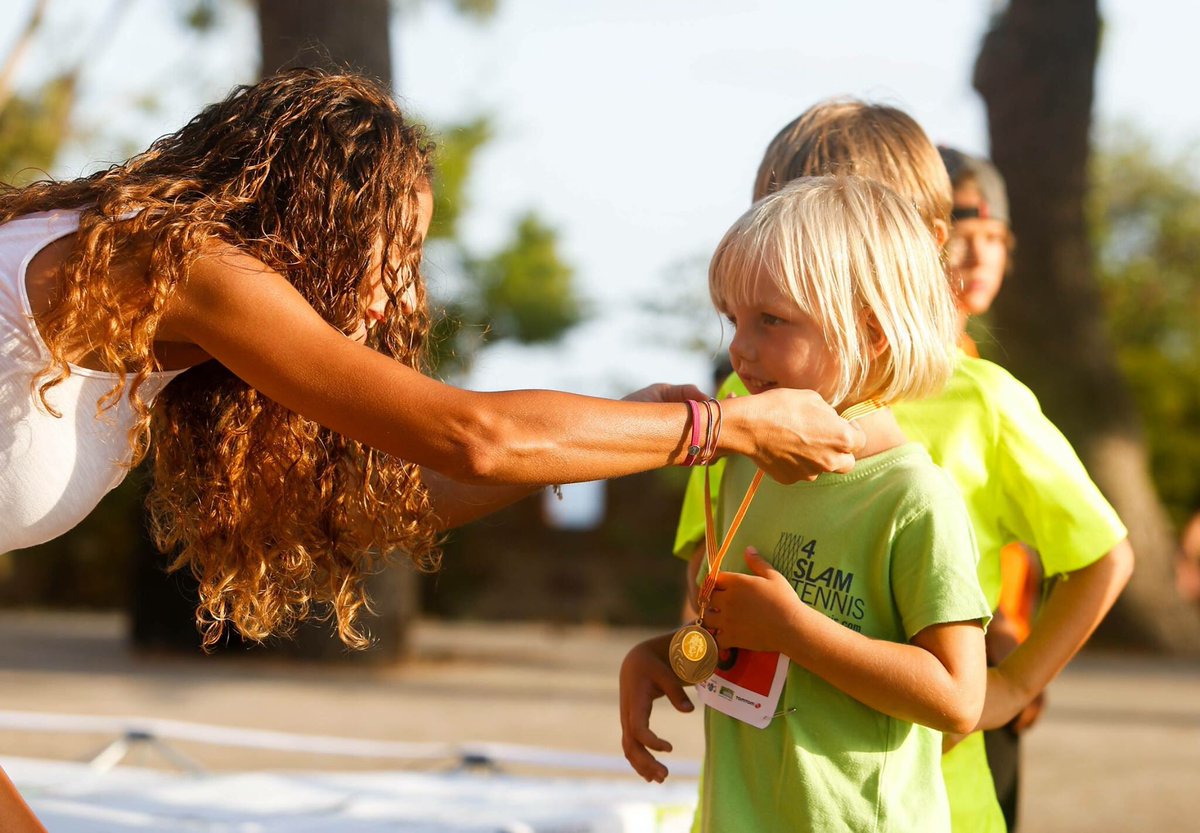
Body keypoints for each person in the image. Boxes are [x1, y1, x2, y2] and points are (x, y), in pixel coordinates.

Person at [0, 69, 865, 832]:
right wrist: (729, 426)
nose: (398, 294)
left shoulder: (172, 310)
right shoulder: (187, 268)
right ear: (317, 220)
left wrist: (608, 437)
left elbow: (354, 511)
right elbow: (473, 436)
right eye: (395, 250)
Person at [647, 100, 1133, 833]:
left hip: (929, 802)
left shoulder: (973, 415)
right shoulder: (744, 412)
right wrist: (668, 655)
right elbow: (715, 604)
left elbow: (1102, 558)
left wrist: (1015, 682)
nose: (742, 347)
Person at [620, 175, 991, 832]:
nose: (740, 346)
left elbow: (959, 697)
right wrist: (666, 654)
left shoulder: (913, 497)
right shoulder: (744, 468)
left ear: (872, 332)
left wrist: (798, 629)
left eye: (772, 319)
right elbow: (751, 651)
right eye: (733, 318)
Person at [940, 145, 1045, 831]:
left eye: (993, 241)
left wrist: (1022, 671)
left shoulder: (988, 385)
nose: (978, 259)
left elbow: (1096, 550)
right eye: (959, 237)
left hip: (990, 678)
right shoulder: (885, 381)